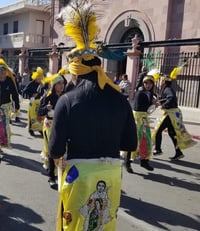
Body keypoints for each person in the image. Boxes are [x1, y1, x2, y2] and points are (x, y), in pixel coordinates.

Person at [49, 1, 137, 230]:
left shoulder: (67, 100)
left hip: (80, 174)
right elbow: (130, 143)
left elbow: (55, 150)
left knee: (76, 225)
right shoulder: (120, 99)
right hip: (111, 175)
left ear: (75, 70)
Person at [151, 73, 196, 160]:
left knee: (158, 131)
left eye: (161, 80)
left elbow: (171, 98)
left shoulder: (167, 89)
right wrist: (159, 102)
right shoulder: (166, 89)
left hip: (170, 114)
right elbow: (165, 99)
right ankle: (178, 152)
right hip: (173, 113)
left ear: (164, 81)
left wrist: (164, 105)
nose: (160, 82)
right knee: (172, 133)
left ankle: (158, 149)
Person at [37, 69, 66, 189]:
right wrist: (47, 108)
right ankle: (51, 176)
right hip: (50, 126)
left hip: (63, 126)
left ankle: (61, 174)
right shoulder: (48, 96)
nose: (61, 86)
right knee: (52, 150)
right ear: (54, 85)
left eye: (63, 83)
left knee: (63, 150)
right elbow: (39, 112)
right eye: (59, 83)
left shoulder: (65, 97)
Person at [123, 75, 156, 173]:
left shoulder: (149, 93)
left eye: (150, 83)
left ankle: (144, 161)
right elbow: (138, 107)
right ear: (143, 83)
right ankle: (127, 162)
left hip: (144, 118)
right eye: (146, 83)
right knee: (133, 139)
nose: (148, 85)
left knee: (146, 140)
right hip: (137, 118)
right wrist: (153, 104)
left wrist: (153, 104)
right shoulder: (140, 93)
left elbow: (148, 110)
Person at [0, 58, 20, 148]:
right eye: (0, 70)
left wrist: (17, 106)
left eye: (4, 69)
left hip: (5, 107)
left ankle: (1, 143)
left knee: (3, 126)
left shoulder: (9, 80)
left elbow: (15, 94)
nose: (3, 72)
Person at [25, 67, 45, 136]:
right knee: (31, 116)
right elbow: (25, 92)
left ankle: (39, 129)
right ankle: (31, 129)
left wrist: (42, 89)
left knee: (39, 115)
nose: (40, 79)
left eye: (40, 78)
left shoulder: (41, 84)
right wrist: (32, 95)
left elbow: (43, 93)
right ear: (35, 77)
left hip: (39, 101)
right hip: (32, 101)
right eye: (38, 78)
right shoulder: (31, 84)